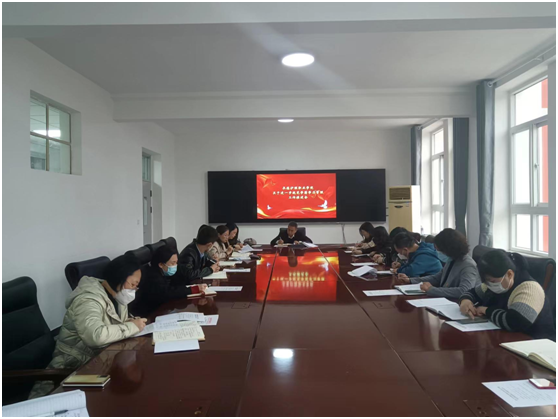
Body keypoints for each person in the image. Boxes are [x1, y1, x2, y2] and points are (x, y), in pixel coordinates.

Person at [30, 255, 147, 398]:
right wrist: (131, 327)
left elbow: (114, 322)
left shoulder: (116, 295)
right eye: (133, 284)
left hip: (99, 361)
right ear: (119, 278)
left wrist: (131, 322)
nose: (134, 290)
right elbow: (95, 336)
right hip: (71, 368)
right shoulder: (87, 299)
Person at [459, 250, 555, 341]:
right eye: (487, 282)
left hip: (535, 344)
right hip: (505, 339)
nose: (490, 285)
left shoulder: (530, 289)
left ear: (509, 274)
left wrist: (486, 311)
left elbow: (516, 322)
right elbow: (472, 293)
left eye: (492, 281)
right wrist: (465, 301)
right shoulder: (493, 284)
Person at [397, 228, 481, 298]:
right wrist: (410, 280)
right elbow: (437, 278)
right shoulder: (452, 259)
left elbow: (464, 291)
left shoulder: (468, 265)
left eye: (440, 251)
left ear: (448, 249)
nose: (438, 253)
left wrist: (432, 290)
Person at [129, 245, 208, 317]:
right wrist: (193, 289)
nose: (175, 266)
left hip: (160, 308)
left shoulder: (162, 270)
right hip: (146, 315)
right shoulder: (152, 276)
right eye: (173, 263)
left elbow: (180, 277)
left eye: (176, 262)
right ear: (161, 264)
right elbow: (168, 292)